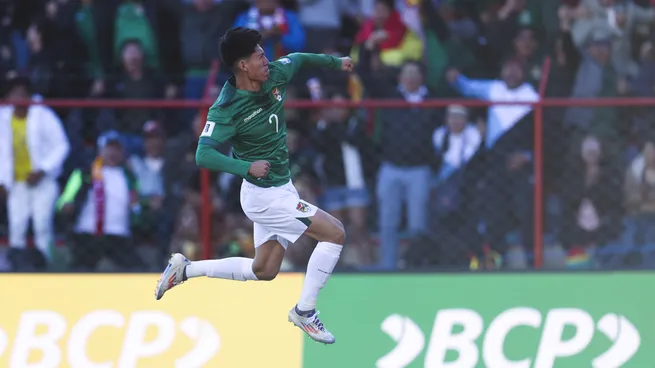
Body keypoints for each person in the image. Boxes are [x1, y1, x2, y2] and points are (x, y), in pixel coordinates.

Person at [154, 27, 354, 345]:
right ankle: (305, 311)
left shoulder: (273, 74)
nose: (266, 59)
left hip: (281, 188)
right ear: (243, 65)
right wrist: (245, 166)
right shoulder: (227, 107)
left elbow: (299, 58)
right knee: (335, 232)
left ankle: (186, 269)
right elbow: (202, 154)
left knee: (265, 269)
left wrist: (335, 62)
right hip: (263, 197)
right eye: (259, 55)